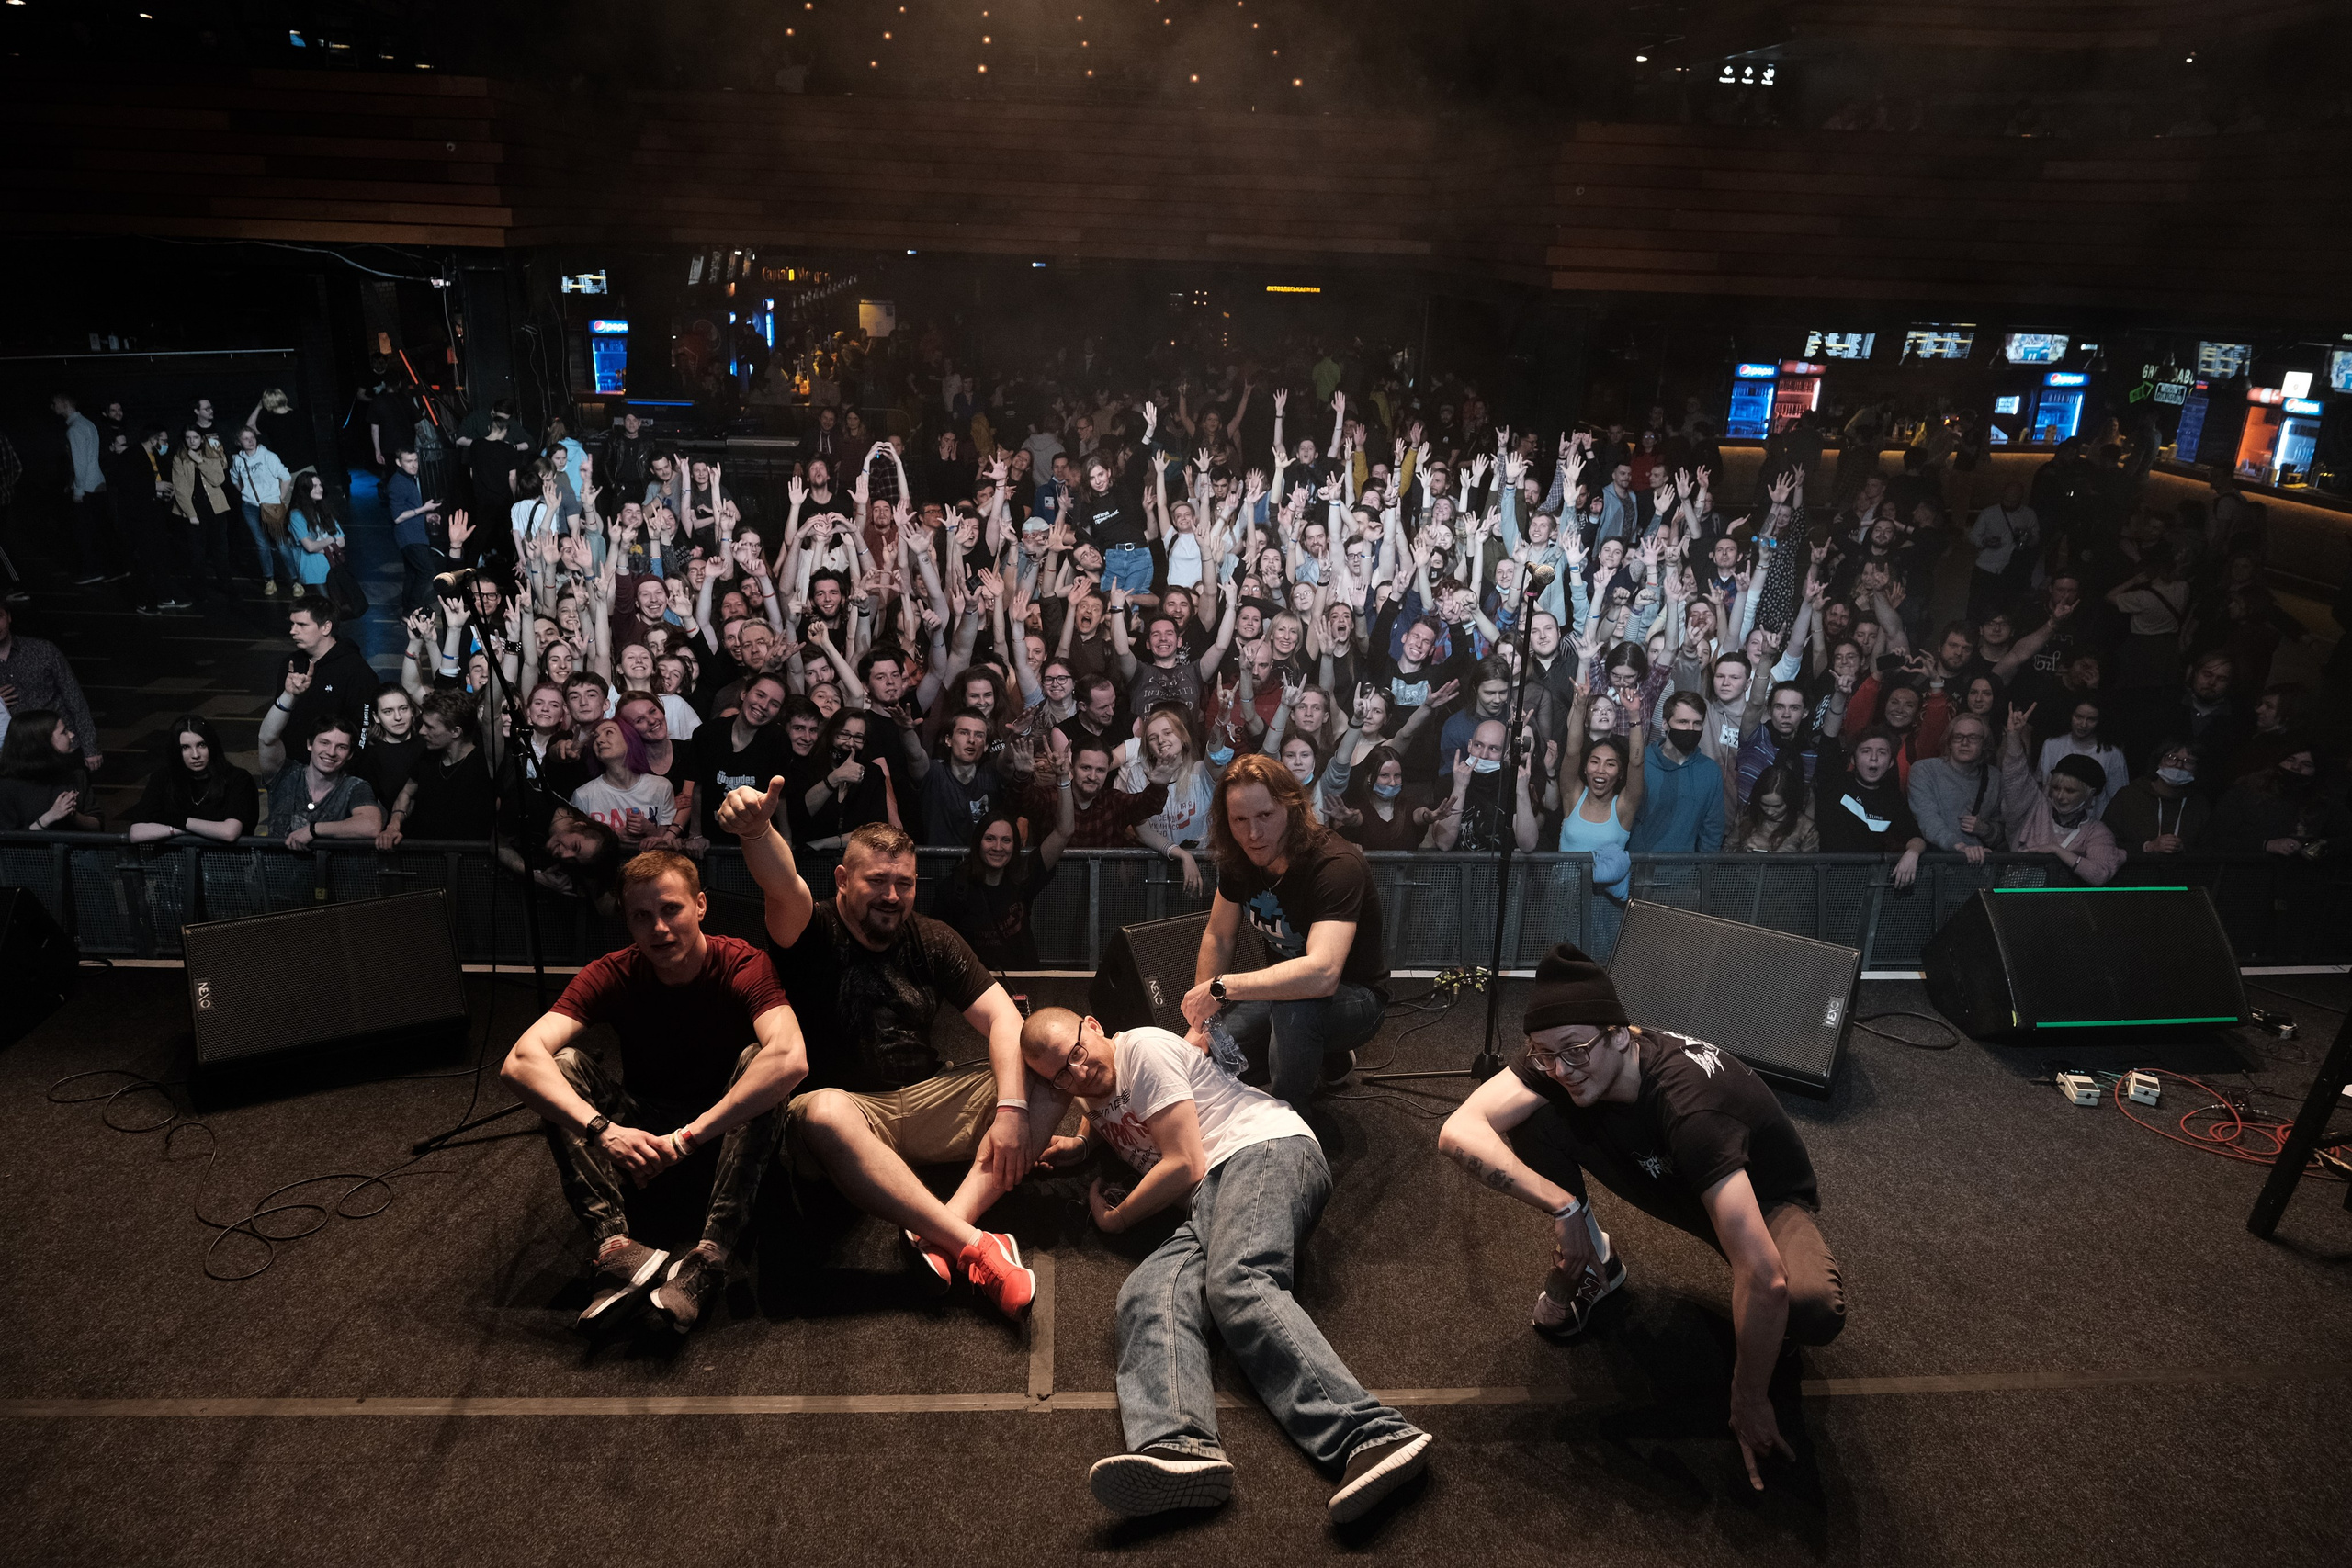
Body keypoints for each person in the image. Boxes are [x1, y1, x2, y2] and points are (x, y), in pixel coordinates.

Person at [1438, 942, 1843, 1493]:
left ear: (1620, 1034)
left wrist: (1749, 1398)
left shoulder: (1691, 1107)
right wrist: (1564, 1207)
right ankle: (1597, 1261)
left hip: (1755, 1194)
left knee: (1806, 1305)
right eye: (1544, 1054)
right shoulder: (1568, 1056)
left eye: (1574, 1051)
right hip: (1663, 1172)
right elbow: (1458, 1131)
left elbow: (1764, 1277)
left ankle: (1769, 1343)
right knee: (1531, 1118)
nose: (1560, 1069)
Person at [1019, 1008, 1433, 1523]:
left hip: (1261, 1150)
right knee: (1148, 1295)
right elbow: (1105, 1106)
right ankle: (1180, 1447)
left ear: (1095, 1025)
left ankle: (1373, 1435)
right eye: (1060, 1074)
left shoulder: (1142, 1049)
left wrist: (1118, 1220)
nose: (1078, 1073)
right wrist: (1084, 1141)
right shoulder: (1086, 1083)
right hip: (1207, 1198)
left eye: (1077, 1054)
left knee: (1239, 1281)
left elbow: (1184, 1163)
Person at [715, 794, 1060, 1319]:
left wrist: (1012, 1109)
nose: (892, 896)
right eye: (877, 880)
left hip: (925, 1100)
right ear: (842, 879)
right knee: (823, 1112)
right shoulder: (810, 927)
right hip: (846, 1119)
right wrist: (756, 832)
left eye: (905, 883)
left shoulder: (934, 938)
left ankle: (938, 1233)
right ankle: (974, 1245)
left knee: (1051, 1069)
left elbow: (1003, 1019)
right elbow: (783, 884)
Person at [499, 851, 809, 1335]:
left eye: (671, 909)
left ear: (700, 905)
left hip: (722, 1140)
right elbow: (519, 1061)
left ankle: (710, 1257)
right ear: (627, 921)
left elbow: (791, 1058)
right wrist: (603, 1131)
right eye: (642, 916)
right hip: (643, 1143)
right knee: (560, 1066)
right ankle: (616, 1249)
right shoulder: (612, 972)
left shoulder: (743, 963)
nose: (659, 928)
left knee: (762, 1062)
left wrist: (687, 1138)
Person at [1181, 753, 1390, 1111]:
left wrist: (1222, 988)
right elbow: (1219, 936)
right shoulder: (1240, 857)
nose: (1253, 834)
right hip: (1283, 992)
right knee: (1209, 1056)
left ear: (1291, 809)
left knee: (1296, 1010)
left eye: (1265, 815)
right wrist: (1203, 1023)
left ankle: (1289, 1120)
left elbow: (1322, 974)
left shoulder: (1335, 865)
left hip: (1356, 996)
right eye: (1240, 820)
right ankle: (1327, 1057)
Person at [933, 784, 1073, 971]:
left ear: (1015, 846)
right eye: (990, 839)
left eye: (1006, 840)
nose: (998, 847)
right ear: (978, 842)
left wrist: (1063, 779)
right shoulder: (954, 890)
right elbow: (938, 950)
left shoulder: (1022, 877)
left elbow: (1064, 831)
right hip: (978, 985)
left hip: (1025, 983)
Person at [1996, 705, 2122, 884]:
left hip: (2064, 902)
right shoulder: (2033, 810)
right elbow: (2016, 778)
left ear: (2090, 794)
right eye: (2056, 788)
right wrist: (2014, 737)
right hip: (2016, 898)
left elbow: (2100, 874)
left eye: (2070, 790)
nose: (2060, 796)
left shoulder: (2097, 832)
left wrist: (2056, 850)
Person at [376, 689, 495, 849]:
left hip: (468, 857)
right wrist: (393, 825)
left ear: (455, 732)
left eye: (430, 727)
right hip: (424, 854)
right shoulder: (429, 756)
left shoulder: (482, 762)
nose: (421, 731)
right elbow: (406, 793)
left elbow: (492, 719)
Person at [1814, 727, 1924, 886]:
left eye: (1882, 752)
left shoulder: (1892, 797)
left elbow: (1915, 836)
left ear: (1891, 763)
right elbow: (1829, 739)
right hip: (1825, 881)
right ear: (1853, 759)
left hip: (1867, 884)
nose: (1874, 758)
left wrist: (1913, 853)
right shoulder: (1834, 783)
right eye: (1866, 751)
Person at [0, 604, 101, 774]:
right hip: (18, 756)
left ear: (9, 617)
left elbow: (74, 698)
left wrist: (90, 747)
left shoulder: (43, 650)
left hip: (61, 748)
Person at [124, 715, 255, 843]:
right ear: (176, 751)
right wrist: (183, 830)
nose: (195, 755)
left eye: (202, 745)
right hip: (175, 857)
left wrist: (180, 822)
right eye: (185, 747)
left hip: (225, 857)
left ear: (212, 746)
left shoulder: (238, 778)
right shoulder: (162, 778)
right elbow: (136, 833)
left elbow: (229, 832)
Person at [257, 716, 383, 847]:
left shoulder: (355, 787)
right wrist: (286, 703)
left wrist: (314, 830)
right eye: (324, 743)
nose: (331, 752)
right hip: (274, 860)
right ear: (310, 744)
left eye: (341, 747)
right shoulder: (285, 774)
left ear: (350, 754)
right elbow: (267, 739)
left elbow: (371, 826)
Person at [1628, 692, 1724, 853]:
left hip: (1685, 867)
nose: (1690, 729)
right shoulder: (1641, 764)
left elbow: (1712, 830)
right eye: (1683, 722)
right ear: (1665, 724)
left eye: (1697, 723)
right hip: (1638, 863)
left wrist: (1705, 866)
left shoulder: (1710, 771)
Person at [571, 716, 677, 848]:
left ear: (629, 739)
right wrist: (612, 836)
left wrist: (649, 830)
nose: (599, 740)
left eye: (609, 732)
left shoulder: (661, 787)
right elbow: (576, 844)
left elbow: (666, 843)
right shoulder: (583, 796)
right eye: (596, 737)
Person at [2102, 738, 2210, 857]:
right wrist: (2148, 847)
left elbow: (2209, 848)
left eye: (2188, 762)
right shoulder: (2128, 797)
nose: (2179, 765)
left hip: (2183, 868)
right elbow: (2103, 843)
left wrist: (2184, 848)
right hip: (2135, 868)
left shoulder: (2199, 803)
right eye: (2171, 758)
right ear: (2158, 761)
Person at [0, 709, 98, 831]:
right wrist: (47, 819)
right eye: (64, 732)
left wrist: (73, 815)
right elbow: (8, 839)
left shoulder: (76, 774)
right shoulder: (7, 786)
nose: (71, 734)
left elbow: (97, 825)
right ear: (42, 743)